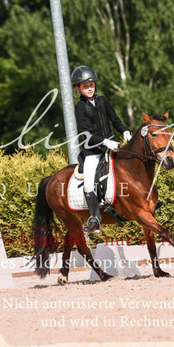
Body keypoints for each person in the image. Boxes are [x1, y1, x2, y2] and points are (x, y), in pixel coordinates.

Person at [72, 65, 132, 233]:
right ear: (78, 88)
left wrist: (124, 131)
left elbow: (115, 120)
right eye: (85, 86)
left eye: (91, 85)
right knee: (88, 184)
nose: (90, 88)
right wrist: (104, 141)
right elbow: (87, 133)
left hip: (111, 146)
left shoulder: (103, 101)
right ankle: (95, 218)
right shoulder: (80, 108)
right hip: (93, 151)